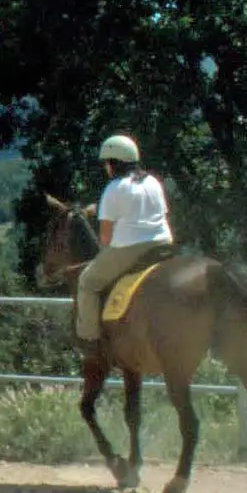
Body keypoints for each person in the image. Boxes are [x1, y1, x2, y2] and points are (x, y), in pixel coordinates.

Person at [75, 133, 177, 358]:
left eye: (106, 163)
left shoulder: (113, 188)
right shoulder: (152, 181)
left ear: (113, 163)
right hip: (163, 243)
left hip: (131, 248)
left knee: (87, 282)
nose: (105, 168)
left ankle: (90, 342)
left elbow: (105, 238)